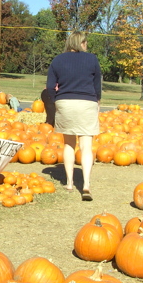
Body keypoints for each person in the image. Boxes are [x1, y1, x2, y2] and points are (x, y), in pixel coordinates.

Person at [46, 31, 101, 201]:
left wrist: (56, 101)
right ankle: (85, 184)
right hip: (87, 103)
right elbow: (97, 85)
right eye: (85, 42)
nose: (86, 46)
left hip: (65, 102)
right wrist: (97, 101)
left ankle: (69, 182)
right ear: (81, 43)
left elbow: (49, 87)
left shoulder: (57, 60)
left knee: (68, 144)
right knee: (86, 145)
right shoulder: (92, 59)